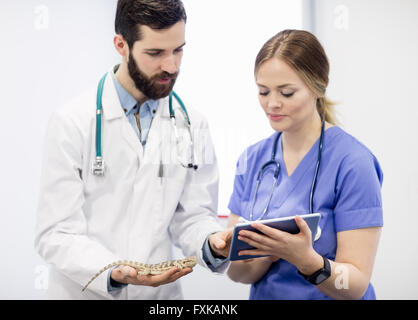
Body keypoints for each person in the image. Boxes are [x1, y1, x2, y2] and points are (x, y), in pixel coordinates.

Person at [34, 0, 231, 300]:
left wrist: (212, 241)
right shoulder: (72, 122)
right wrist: (113, 270)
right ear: (121, 45)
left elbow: (193, 217)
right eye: (155, 53)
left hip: (161, 299)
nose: (172, 66)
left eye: (178, 49)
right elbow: (56, 234)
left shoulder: (193, 124)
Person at [226, 29, 383, 300]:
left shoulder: (353, 163)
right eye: (263, 91)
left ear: (317, 87)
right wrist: (269, 253)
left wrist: (308, 261)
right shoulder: (252, 160)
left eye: (286, 93)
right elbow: (236, 272)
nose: (272, 104)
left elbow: (354, 284)